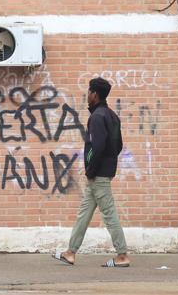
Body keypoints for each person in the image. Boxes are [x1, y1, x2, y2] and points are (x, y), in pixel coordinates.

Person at [52, 77, 130, 268]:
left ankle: (122, 255)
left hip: (98, 175)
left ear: (94, 94)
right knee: (84, 213)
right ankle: (70, 252)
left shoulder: (97, 117)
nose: (87, 95)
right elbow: (118, 145)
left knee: (109, 214)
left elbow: (97, 147)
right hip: (103, 172)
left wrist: (91, 169)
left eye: (88, 92)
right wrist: (108, 164)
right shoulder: (112, 116)